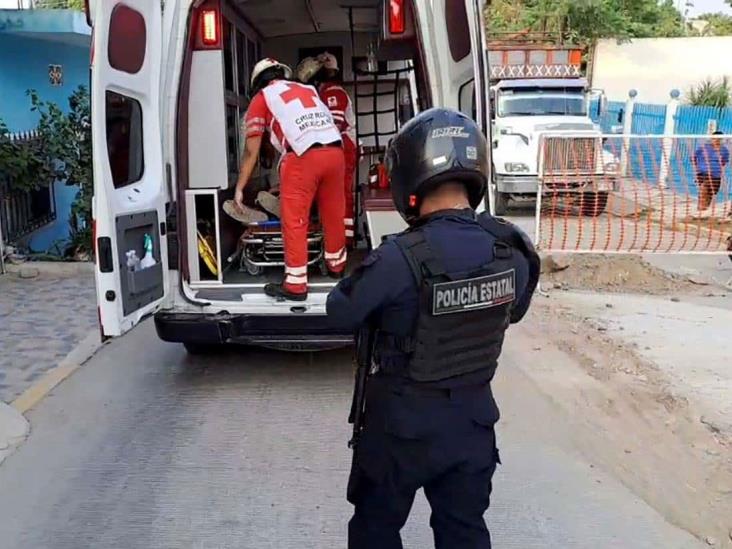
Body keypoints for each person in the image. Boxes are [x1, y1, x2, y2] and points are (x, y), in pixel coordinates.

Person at [327, 108, 541, 549]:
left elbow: (339, 311)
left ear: (409, 176)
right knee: (464, 532)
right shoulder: (511, 250)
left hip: (400, 428)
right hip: (472, 424)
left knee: (375, 533)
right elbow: (513, 311)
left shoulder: (397, 258)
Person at [235, 58, 347, 300]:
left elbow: (251, 151)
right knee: (333, 213)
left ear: (259, 82)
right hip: (335, 153)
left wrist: (240, 188)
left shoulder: (263, 97)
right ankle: (336, 267)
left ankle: (295, 285)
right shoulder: (307, 89)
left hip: (303, 158)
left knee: (294, 220)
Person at [296, 53, 359, 246]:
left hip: (343, 146)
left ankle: (345, 240)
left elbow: (334, 126)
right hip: (336, 148)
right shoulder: (325, 92)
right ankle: (337, 236)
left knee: (340, 193)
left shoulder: (332, 92)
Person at [693, 130, 729, 217]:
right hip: (703, 173)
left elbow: (723, 162)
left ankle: (704, 211)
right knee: (703, 190)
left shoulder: (724, 150)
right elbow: (694, 158)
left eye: (718, 139)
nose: (716, 140)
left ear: (721, 139)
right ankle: (700, 210)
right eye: (714, 138)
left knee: (710, 193)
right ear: (712, 138)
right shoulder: (703, 148)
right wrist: (697, 170)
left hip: (715, 175)